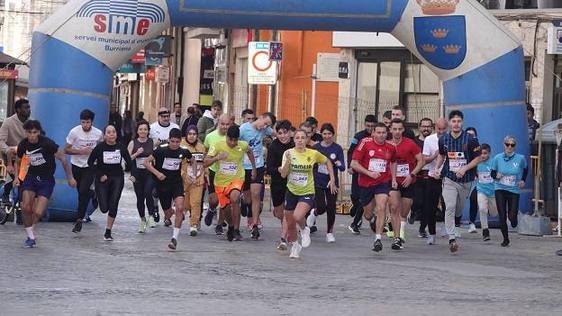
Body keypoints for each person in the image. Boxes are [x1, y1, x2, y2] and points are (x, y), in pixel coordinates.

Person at [9, 120, 76, 248]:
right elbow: (18, 160)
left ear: (38, 132)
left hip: (46, 180)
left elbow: (63, 159)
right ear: (26, 133)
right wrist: (16, 178)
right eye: (29, 133)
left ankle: (32, 227)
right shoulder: (23, 144)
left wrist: (70, 177)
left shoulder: (48, 144)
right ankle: (30, 236)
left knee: (39, 212)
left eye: (34, 132)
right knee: (25, 207)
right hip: (31, 177)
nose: (32, 136)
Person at [278, 129, 337, 259]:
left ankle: (305, 229)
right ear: (294, 140)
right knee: (290, 222)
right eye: (297, 138)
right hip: (291, 191)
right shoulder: (288, 153)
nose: (300, 140)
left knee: (298, 216)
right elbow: (283, 174)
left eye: (302, 137)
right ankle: (295, 246)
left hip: (307, 191)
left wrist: (332, 179)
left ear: (306, 140)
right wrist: (287, 162)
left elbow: (327, 161)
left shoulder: (313, 153)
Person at [433, 110, 481, 253]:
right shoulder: (443, 140)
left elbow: (478, 158)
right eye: (453, 121)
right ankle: (452, 238)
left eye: (459, 121)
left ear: (462, 123)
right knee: (450, 206)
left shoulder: (471, 140)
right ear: (449, 123)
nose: (456, 124)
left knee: (458, 208)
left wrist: (465, 168)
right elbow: (442, 155)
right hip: (449, 178)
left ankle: (458, 219)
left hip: (465, 180)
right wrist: (437, 168)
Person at [204, 125, 256, 242]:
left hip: (237, 179)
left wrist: (253, 168)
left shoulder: (243, 145)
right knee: (225, 208)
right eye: (230, 140)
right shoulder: (217, 146)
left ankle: (237, 230)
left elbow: (250, 152)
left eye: (235, 140)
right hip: (220, 182)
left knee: (234, 198)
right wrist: (217, 158)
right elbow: (205, 162)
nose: (232, 143)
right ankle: (231, 227)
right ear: (226, 137)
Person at [350, 123, 396, 252]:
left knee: (382, 207)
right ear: (373, 133)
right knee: (368, 215)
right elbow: (354, 163)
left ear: (387, 134)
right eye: (379, 132)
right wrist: (369, 173)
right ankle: (372, 220)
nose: (381, 135)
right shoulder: (365, 143)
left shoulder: (391, 147)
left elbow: (393, 162)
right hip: (366, 184)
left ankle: (378, 239)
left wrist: (393, 179)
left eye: (384, 133)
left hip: (382, 183)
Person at [144, 128, 193, 250]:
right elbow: (146, 162)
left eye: (177, 142)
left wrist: (194, 174)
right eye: (172, 141)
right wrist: (157, 173)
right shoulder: (160, 150)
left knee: (180, 207)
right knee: (168, 213)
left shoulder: (183, 151)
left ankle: (174, 238)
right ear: (169, 140)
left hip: (176, 183)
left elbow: (192, 160)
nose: (175, 144)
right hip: (162, 185)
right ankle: (173, 213)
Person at [87, 125, 132, 241]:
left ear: (116, 134)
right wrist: (100, 175)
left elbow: (130, 162)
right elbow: (90, 162)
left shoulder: (121, 147)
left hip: (117, 177)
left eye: (113, 132)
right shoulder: (100, 148)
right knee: (104, 208)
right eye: (109, 132)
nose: (111, 134)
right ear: (105, 135)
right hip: (102, 178)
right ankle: (95, 196)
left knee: (114, 203)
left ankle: (108, 231)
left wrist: (134, 175)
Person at [65, 109, 103, 233]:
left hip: (90, 166)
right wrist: (81, 151)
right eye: (83, 122)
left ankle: (79, 219)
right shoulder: (74, 132)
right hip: (76, 164)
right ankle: (92, 194)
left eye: (88, 122)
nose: (85, 125)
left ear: (92, 122)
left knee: (82, 191)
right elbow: (66, 150)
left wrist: (95, 153)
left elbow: (102, 149)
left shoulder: (98, 133)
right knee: (82, 192)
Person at [239, 112, 276, 240]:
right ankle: (245, 205)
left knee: (256, 196)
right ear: (259, 118)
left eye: (268, 125)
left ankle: (254, 225)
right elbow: (234, 142)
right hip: (244, 166)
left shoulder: (266, 129)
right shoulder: (244, 129)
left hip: (258, 165)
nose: (264, 127)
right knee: (247, 198)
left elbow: (276, 134)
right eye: (264, 123)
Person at [388, 119, 423, 248]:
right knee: (394, 208)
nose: (397, 132)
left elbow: (421, 161)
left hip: (409, 181)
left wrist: (411, 174)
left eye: (399, 129)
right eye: (394, 129)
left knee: (404, 212)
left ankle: (397, 229)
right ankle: (397, 238)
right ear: (390, 130)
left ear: (403, 130)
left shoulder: (410, 144)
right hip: (393, 181)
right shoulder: (386, 144)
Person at [307, 123, 345, 243]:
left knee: (331, 207)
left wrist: (338, 163)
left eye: (329, 134)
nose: (327, 136)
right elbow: (310, 164)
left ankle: (329, 232)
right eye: (324, 134)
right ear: (321, 134)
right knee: (321, 206)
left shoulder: (337, 148)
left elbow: (343, 167)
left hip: (332, 182)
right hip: (318, 180)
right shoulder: (316, 147)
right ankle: (315, 212)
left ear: (333, 135)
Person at [491, 136, 527, 247]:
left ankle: (514, 220)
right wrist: (496, 175)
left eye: (512, 145)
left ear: (515, 146)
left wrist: (522, 180)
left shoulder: (520, 158)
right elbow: (492, 173)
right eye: (507, 144)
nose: (509, 147)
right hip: (500, 188)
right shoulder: (497, 158)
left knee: (512, 216)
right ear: (504, 145)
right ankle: (505, 239)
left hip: (513, 189)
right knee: (502, 215)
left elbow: (525, 169)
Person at [0, 98, 31, 225]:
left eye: (29, 107)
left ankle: (19, 208)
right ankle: (5, 194)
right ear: (18, 110)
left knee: (26, 182)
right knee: (15, 177)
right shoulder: (8, 122)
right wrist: (8, 149)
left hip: (24, 157)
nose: (29, 110)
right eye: (26, 108)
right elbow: (1, 141)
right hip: (9, 154)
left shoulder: (31, 123)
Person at [266, 120, 294, 250]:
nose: (283, 136)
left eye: (285, 133)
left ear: (290, 132)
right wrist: (279, 169)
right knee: (279, 213)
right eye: (280, 133)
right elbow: (269, 168)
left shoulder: (295, 144)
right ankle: (285, 222)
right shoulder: (273, 146)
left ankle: (284, 237)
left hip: (292, 183)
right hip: (277, 182)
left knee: (289, 211)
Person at [347, 115, 377, 234]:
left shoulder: (379, 137)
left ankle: (356, 222)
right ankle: (356, 209)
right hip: (358, 169)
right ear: (365, 125)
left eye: (372, 126)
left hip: (371, 172)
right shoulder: (358, 136)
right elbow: (351, 151)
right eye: (368, 126)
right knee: (355, 195)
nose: (370, 128)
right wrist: (350, 165)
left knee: (362, 198)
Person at [420, 118, 448, 245]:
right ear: (435, 127)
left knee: (449, 205)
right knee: (430, 207)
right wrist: (435, 155)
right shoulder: (429, 140)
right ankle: (432, 233)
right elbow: (425, 159)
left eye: (443, 129)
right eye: (439, 129)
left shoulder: (451, 139)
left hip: (448, 177)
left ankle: (447, 227)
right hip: (432, 176)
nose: (441, 131)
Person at [203, 114, 230, 235]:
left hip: (228, 172)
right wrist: (205, 169)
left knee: (225, 200)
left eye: (227, 124)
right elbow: (205, 152)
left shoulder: (233, 136)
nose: (225, 127)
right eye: (222, 124)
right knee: (214, 199)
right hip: (213, 170)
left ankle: (219, 224)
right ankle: (211, 208)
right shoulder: (210, 136)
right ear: (218, 123)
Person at [127, 120, 156, 233]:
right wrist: (137, 153)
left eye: (145, 129)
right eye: (141, 129)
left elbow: (157, 155)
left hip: (149, 173)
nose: (143, 131)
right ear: (137, 131)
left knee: (148, 192)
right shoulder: (133, 143)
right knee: (140, 197)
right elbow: (127, 159)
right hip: (137, 174)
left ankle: (151, 216)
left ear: (148, 131)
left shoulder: (152, 142)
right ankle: (142, 220)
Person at [181, 125, 207, 236]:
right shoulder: (181, 146)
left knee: (196, 202)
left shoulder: (201, 147)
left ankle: (194, 225)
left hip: (198, 180)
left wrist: (206, 175)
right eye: (190, 134)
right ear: (186, 134)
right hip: (184, 180)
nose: (192, 136)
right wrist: (183, 175)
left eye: (194, 134)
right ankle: (181, 212)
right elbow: (178, 164)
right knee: (186, 203)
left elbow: (204, 163)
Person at [412, 118, 434, 237]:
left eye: (428, 126)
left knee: (428, 205)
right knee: (418, 201)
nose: (426, 128)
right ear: (419, 127)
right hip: (417, 176)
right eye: (424, 126)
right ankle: (413, 211)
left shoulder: (435, 141)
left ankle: (422, 228)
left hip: (431, 176)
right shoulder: (413, 142)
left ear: (432, 128)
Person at [475, 143, 498, 242]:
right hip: (481, 190)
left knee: (494, 213)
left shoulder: (493, 162)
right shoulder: (477, 162)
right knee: (482, 209)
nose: (482, 155)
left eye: (485, 153)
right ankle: (485, 230)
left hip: (493, 192)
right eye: (481, 153)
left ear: (489, 153)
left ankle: (489, 209)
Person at [466, 127, 479, 234]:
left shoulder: (479, 149)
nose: (470, 138)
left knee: (473, 198)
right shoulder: (460, 148)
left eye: (472, 135)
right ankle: (454, 224)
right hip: (463, 178)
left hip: (476, 180)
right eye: (468, 135)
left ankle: (472, 223)